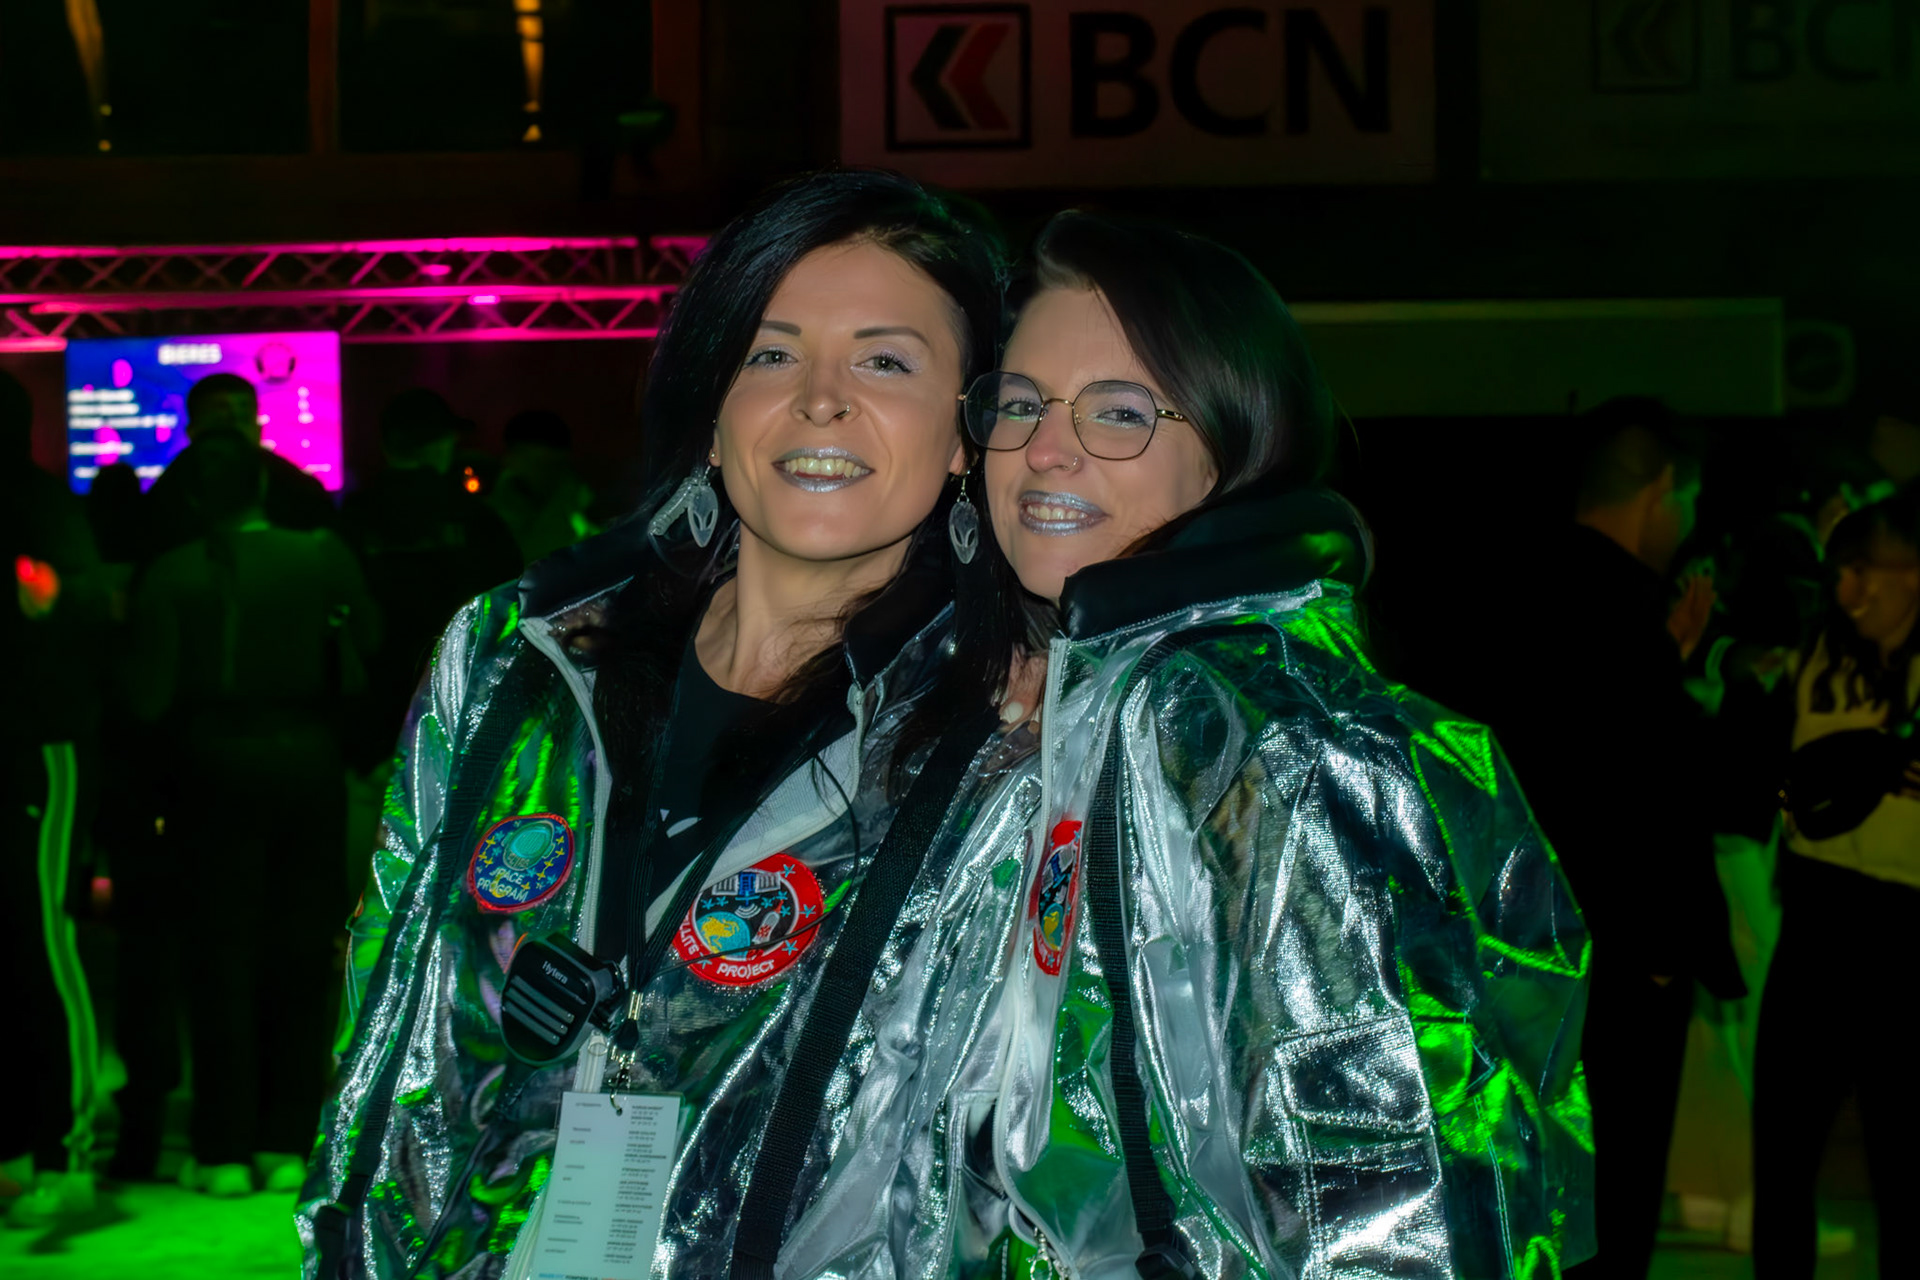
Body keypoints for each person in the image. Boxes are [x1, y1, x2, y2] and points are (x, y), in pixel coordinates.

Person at [299, 169, 1010, 1280]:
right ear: (713, 415)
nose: (820, 400)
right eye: (769, 355)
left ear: (968, 433)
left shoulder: (995, 751)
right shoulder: (515, 666)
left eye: (885, 361)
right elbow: (385, 1016)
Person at [924, 211, 1592, 1276]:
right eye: (1021, 403)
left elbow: (1389, 1200)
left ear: (1232, 451)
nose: (1046, 448)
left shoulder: (1272, 738)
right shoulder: (1094, 705)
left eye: (1119, 412)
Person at [1485, 398, 1743, 1280]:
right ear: (1664, 489)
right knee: (1614, 1198)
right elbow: (1646, 790)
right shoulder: (1625, 605)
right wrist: (1664, 949)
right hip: (1618, 959)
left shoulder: (1521, 589)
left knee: (1545, 1195)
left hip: (1527, 947)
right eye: (1689, 499)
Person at [127, 434, 379, 1199]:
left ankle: (223, 1147)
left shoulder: (171, 572)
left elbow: (148, 695)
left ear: (192, 499)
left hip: (211, 768)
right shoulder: (322, 555)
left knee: (219, 956)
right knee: (301, 952)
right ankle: (287, 1138)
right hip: (308, 762)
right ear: (263, 490)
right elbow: (368, 646)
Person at [1754, 494, 1920, 1278]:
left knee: (1904, 1165)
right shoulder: (1820, 644)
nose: (1849, 591)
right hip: (1818, 914)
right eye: (1840, 572)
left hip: (1904, 923)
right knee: (1783, 1154)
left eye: (1867, 572)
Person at [0, 369, 106, 1229]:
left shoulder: (38, 504)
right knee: (28, 948)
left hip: (37, 746)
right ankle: (22, 1153)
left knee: (44, 944)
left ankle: (66, 1157)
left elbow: (76, 606)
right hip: (32, 739)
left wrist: (41, 592)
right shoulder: (42, 502)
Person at [337, 388, 522, 771]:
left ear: (387, 444)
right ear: (440, 444)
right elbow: (510, 594)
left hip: (376, 695)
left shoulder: (352, 516)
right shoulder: (472, 515)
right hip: (456, 686)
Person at [144, 371, 334, 557]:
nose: (233, 433)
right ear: (192, 431)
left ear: (258, 429)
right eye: (221, 424)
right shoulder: (302, 490)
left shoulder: (303, 492)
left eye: (243, 418)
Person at [485, 408, 599, 563]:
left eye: (554, 465)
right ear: (511, 458)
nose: (544, 475)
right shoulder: (491, 512)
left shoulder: (579, 507)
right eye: (535, 463)